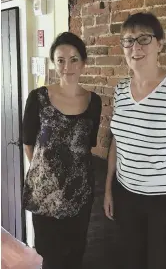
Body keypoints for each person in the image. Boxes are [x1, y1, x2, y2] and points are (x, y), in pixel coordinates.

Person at [104, 12, 166, 269]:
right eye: (128, 41)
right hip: (125, 196)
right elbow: (117, 143)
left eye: (144, 39)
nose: (135, 47)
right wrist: (108, 189)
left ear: (159, 44)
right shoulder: (121, 90)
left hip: (165, 205)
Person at [22, 32, 102, 269]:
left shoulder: (94, 101)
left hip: (80, 195)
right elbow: (28, 143)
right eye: (60, 60)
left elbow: (87, 145)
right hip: (46, 196)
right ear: (54, 63)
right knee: (50, 258)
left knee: (75, 255)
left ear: (84, 63)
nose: (67, 66)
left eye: (74, 59)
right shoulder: (38, 98)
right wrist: (49, 177)